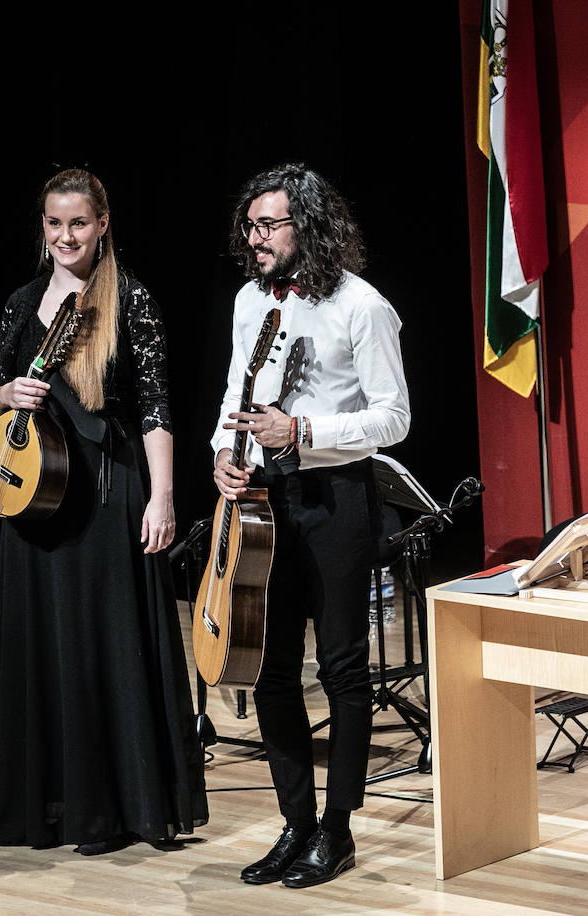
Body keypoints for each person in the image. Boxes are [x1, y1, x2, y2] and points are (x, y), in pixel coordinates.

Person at [0, 168, 207, 852]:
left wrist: (163, 497)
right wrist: (5, 397)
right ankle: (51, 804)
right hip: (34, 497)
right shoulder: (23, 302)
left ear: (102, 223)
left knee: (107, 644)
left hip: (107, 496)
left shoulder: (129, 300)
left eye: (78, 223)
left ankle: (117, 806)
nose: (65, 236)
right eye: (54, 223)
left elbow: (156, 408)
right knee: (46, 645)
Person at [212, 163, 410, 888]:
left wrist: (304, 431)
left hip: (335, 497)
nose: (254, 238)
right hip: (265, 497)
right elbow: (235, 393)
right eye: (250, 224)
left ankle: (338, 830)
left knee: (341, 668)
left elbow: (394, 416)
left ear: (309, 227)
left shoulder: (362, 306)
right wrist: (220, 460)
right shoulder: (248, 301)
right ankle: (294, 823)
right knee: (267, 668)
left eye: (269, 225)